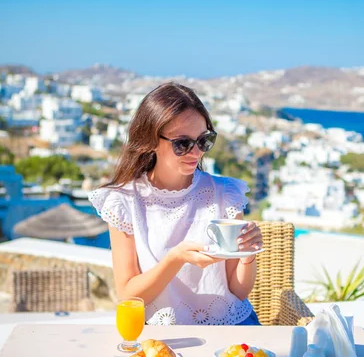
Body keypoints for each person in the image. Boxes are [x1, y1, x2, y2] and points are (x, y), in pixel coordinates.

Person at [89, 82, 263, 325]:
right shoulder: (124, 201)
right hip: (164, 336)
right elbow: (128, 296)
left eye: (204, 141)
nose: (196, 153)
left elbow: (238, 292)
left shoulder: (226, 193)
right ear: (150, 140)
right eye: (182, 144)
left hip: (233, 328)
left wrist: (248, 255)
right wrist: (175, 259)